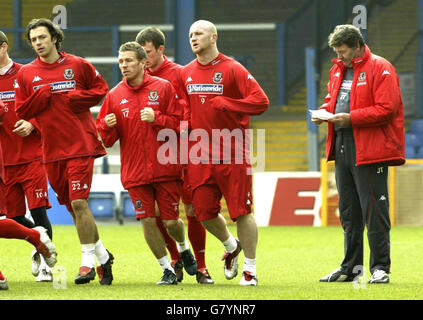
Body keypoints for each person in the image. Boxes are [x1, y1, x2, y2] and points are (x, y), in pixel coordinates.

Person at [14, 18, 114, 285]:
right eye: (34, 40)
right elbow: (22, 110)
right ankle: (103, 256)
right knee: (73, 207)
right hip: (51, 151)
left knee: (80, 203)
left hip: (81, 145)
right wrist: (41, 97)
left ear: (55, 38)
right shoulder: (25, 74)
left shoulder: (77, 65)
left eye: (42, 38)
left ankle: (86, 264)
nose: (38, 43)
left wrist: (74, 99)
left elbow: (100, 90)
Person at [96, 41, 197, 285]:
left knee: (171, 221)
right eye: (120, 61)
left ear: (143, 62)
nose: (124, 65)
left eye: (129, 60)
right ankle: (167, 269)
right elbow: (107, 141)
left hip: (165, 169)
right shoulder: (114, 96)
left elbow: (182, 126)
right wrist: (105, 127)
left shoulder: (163, 88)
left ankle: (183, 248)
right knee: (147, 219)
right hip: (135, 172)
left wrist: (158, 118)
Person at [179, 20, 269, 286]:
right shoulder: (185, 73)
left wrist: (228, 103)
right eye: (190, 34)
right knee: (202, 212)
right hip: (200, 155)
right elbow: (184, 106)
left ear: (214, 36)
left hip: (232, 152)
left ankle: (250, 271)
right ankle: (231, 246)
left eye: (199, 33)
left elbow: (261, 102)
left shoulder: (233, 69)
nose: (193, 38)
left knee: (242, 212)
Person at [313, 25, 405, 284]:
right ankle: (350, 268)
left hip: (371, 147)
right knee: (349, 209)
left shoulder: (381, 67)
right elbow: (332, 98)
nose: (339, 57)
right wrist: (324, 112)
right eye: (337, 52)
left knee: (374, 209)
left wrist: (350, 118)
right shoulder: (338, 69)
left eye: (342, 52)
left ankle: (380, 267)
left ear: (357, 46)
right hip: (342, 142)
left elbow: (388, 108)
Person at [135, 26, 213, 284]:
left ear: (160, 49)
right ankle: (177, 259)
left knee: (192, 208)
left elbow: (189, 115)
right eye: (140, 55)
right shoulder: (137, 76)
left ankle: (201, 266)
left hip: (184, 151)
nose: (144, 60)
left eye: (147, 53)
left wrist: (177, 130)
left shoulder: (180, 74)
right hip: (153, 157)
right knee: (158, 212)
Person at [0, 30, 54, 282]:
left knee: (40, 210)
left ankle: (46, 265)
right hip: (4, 162)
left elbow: (45, 107)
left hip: (31, 155)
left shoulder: (24, 74)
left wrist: (32, 124)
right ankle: (39, 239)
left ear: (4, 47)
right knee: (11, 218)